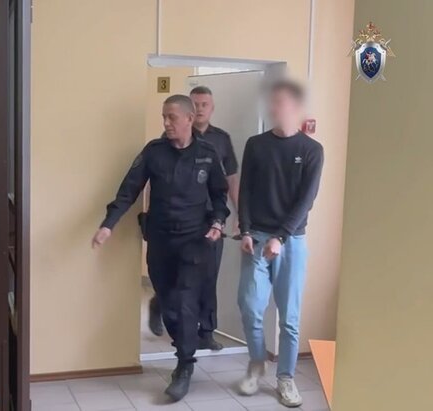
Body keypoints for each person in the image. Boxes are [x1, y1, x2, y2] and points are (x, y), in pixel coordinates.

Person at [93, 95, 229, 402]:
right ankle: (170, 327)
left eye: (171, 117)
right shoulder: (154, 152)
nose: (166, 123)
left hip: (194, 241)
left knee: (185, 302)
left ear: (189, 119)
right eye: (163, 117)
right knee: (169, 304)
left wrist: (218, 222)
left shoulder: (208, 154)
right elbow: (128, 190)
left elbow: (219, 196)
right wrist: (108, 225)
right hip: (161, 241)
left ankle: (184, 365)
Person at [236, 80, 323, 408]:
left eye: (280, 102)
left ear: (296, 108)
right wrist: (245, 230)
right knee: (249, 306)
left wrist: (281, 237)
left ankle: (285, 378)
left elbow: (306, 200)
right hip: (256, 238)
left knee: (289, 317)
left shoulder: (312, 150)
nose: (273, 107)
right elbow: (245, 191)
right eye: (272, 102)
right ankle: (256, 364)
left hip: (291, 242)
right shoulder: (256, 144)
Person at [147, 86, 239, 352]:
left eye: (204, 104)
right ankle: (161, 304)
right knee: (175, 281)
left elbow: (231, 178)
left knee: (208, 278)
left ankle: (206, 332)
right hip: (181, 222)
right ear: (188, 111)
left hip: (212, 223)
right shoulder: (169, 139)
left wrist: (239, 215)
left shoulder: (220, 140)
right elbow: (157, 183)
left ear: (212, 108)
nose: (200, 109)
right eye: (195, 104)